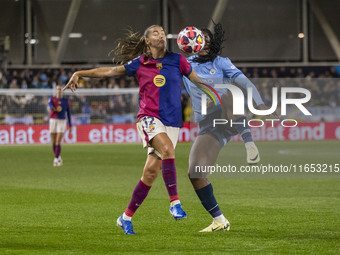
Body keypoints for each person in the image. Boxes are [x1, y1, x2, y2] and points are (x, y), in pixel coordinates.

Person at [64, 25, 216, 235]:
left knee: (150, 173)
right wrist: (79, 73)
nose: (160, 35)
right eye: (155, 33)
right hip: (149, 118)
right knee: (168, 151)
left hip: (172, 123)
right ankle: (175, 203)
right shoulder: (140, 63)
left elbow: (198, 82)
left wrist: (218, 94)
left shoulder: (177, 60)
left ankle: (125, 217)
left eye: (162, 32)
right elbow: (109, 71)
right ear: (147, 40)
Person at [183, 23, 279, 232]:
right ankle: (219, 221)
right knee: (195, 174)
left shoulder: (221, 62)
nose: (202, 42)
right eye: (199, 39)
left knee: (227, 93)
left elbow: (244, 83)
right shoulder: (184, 65)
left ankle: (250, 144)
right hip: (209, 125)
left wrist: (260, 103)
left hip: (228, 114)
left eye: (206, 39)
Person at [49, 85, 72, 167]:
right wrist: (53, 109)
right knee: (53, 142)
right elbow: (50, 106)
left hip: (62, 121)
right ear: (55, 91)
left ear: (62, 91)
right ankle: (58, 157)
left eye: (60, 89)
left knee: (58, 141)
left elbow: (68, 113)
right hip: (53, 120)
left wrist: (70, 125)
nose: (59, 91)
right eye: (57, 89)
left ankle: (55, 159)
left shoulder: (66, 101)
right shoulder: (51, 99)